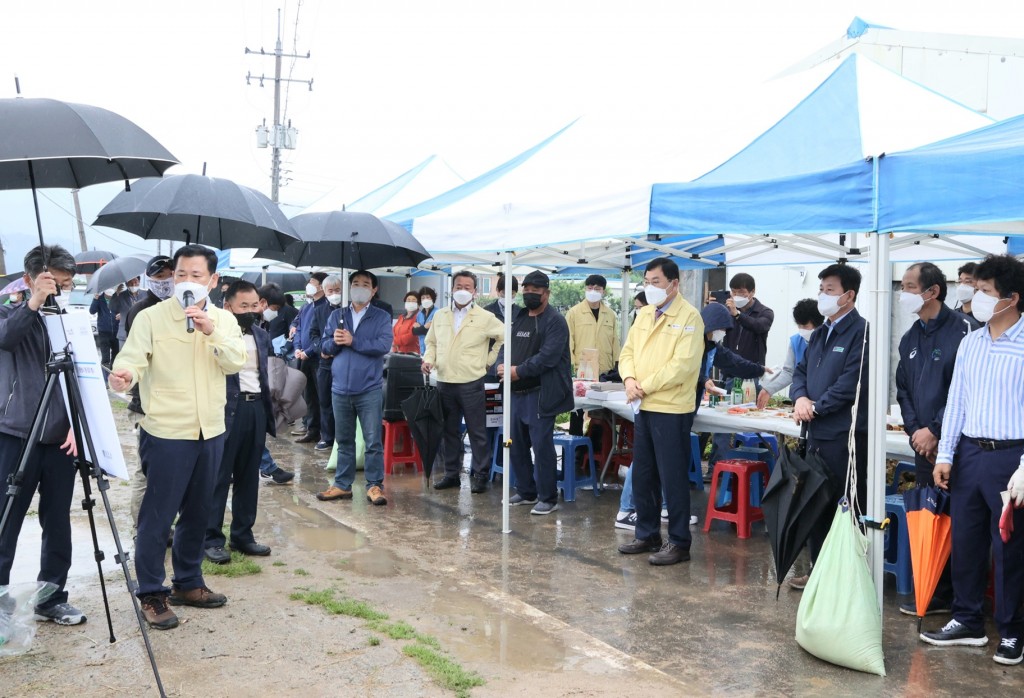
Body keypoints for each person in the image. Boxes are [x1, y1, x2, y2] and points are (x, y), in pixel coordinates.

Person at [109, 244, 246, 630]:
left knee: (199, 511)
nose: (186, 282)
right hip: (167, 430)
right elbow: (131, 359)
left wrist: (210, 329)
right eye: (180, 274)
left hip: (211, 429)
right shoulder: (151, 317)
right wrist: (123, 376)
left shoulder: (224, 320)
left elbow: (235, 360)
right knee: (158, 514)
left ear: (213, 281)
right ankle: (152, 592)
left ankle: (188, 582)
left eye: (196, 275)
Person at [920, 254, 1024, 666]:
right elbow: (956, 401)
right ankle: (967, 619)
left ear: (1012, 298)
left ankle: (1013, 631)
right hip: (969, 453)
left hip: (1011, 457)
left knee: (1010, 547)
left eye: (984, 291)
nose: (975, 296)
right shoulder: (971, 342)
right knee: (966, 540)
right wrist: (945, 454)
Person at [615, 301, 765, 532]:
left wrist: (761, 370)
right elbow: (680, 366)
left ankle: (666, 508)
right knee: (648, 461)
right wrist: (703, 380)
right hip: (663, 407)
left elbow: (734, 362)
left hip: (684, 409)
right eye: (721, 328)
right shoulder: (691, 338)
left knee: (668, 463)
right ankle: (627, 510)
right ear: (710, 325)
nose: (722, 334)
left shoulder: (712, 345)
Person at [0, 244, 86, 629]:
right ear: (32, 278)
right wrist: (34, 301)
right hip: (15, 434)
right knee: (6, 519)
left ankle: (51, 598)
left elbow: (82, 374)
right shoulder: (10, 312)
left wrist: (75, 423)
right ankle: (0, 602)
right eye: (55, 283)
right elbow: (6, 338)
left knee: (57, 522)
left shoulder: (68, 319)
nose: (60, 291)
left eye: (66, 284)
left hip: (59, 440)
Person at [894, 262, 976, 617]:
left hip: (957, 446)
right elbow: (903, 390)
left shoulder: (965, 332)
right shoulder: (911, 336)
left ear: (933, 291)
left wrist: (936, 430)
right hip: (923, 448)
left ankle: (965, 601)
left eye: (910, 286)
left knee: (963, 523)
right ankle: (936, 592)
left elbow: (967, 391)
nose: (904, 292)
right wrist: (916, 432)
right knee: (934, 517)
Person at [616, 257, 703, 565]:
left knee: (672, 476)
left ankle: (679, 542)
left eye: (656, 282)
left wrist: (644, 385)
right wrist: (628, 379)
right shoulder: (643, 314)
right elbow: (627, 352)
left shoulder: (690, 317)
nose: (650, 288)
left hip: (671, 407)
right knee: (643, 473)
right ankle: (647, 533)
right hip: (643, 404)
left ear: (673, 284)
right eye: (647, 282)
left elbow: (682, 366)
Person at [788, 263, 868, 589]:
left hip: (843, 437)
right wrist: (800, 399)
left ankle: (842, 578)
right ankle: (818, 571)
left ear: (848, 295)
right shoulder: (821, 332)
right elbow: (799, 374)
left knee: (843, 507)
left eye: (829, 290)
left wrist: (816, 407)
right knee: (816, 505)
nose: (822, 295)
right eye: (821, 289)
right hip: (816, 434)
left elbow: (851, 384)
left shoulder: (861, 332)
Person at [204, 281, 278, 564]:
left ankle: (243, 535)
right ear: (228, 307)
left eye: (254, 305)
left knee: (249, 475)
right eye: (243, 306)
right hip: (226, 409)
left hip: (256, 407)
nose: (250, 310)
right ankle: (211, 538)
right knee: (220, 476)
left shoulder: (261, 334)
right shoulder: (216, 334)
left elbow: (263, 373)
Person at [498, 270, 573, 515]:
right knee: (515, 443)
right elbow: (506, 346)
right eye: (526, 290)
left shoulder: (555, 321)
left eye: (535, 291)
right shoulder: (519, 317)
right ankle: (526, 491)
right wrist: (501, 364)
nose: (530, 294)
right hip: (515, 392)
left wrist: (518, 371)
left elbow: (548, 357)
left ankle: (547, 497)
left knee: (541, 446)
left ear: (547, 293)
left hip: (541, 393)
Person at [422, 271, 505, 493]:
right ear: (452, 289)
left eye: (468, 287)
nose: (463, 290)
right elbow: (431, 343)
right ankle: (451, 473)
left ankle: (480, 474)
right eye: (459, 285)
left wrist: (489, 360)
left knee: (477, 431)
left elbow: (503, 336)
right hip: (445, 381)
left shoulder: (485, 317)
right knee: (449, 431)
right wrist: (429, 360)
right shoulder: (440, 315)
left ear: (475, 292)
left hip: (471, 382)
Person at [316, 270, 393, 506]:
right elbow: (324, 345)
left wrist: (354, 341)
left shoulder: (381, 316)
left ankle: (374, 485)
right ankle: (342, 484)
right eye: (356, 283)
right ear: (349, 287)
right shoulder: (337, 315)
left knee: (372, 441)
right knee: (344, 440)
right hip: (340, 388)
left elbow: (383, 344)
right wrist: (335, 342)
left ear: (374, 289)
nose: (360, 287)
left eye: (365, 284)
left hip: (368, 388)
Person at [121, 255, 177, 533]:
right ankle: (142, 527)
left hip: (178, 404)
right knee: (146, 471)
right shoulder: (141, 311)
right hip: (147, 403)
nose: (165, 283)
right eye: (159, 278)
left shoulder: (185, 308)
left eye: (169, 277)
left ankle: (165, 525)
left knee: (173, 472)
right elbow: (135, 357)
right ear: (148, 279)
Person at [709, 273, 774, 467]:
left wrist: (737, 315)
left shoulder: (764, 312)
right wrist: (714, 310)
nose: (737, 295)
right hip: (729, 372)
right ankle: (716, 467)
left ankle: (753, 465)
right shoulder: (727, 310)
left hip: (751, 375)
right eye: (734, 292)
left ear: (752, 292)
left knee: (750, 419)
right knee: (722, 421)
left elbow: (759, 326)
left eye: (742, 292)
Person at [256, 283, 296, 485]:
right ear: (262, 303)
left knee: (251, 433)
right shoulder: (249, 324)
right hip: (243, 388)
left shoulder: (262, 324)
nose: (275, 313)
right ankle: (268, 467)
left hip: (258, 386)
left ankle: (267, 467)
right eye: (274, 308)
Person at [756, 299, 825, 409]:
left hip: (822, 400)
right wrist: (769, 389)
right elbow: (789, 372)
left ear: (818, 324)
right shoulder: (796, 341)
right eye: (799, 325)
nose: (802, 330)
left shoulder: (829, 341)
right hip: (799, 399)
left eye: (805, 326)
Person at [307, 275, 343, 451]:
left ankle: (341, 437)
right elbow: (312, 334)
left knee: (342, 402)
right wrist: (321, 349)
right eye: (331, 291)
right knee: (325, 400)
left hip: (344, 362)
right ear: (325, 291)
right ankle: (327, 437)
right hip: (325, 363)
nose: (335, 294)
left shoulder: (347, 310)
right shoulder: (319, 310)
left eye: (338, 290)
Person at [291, 273, 327, 443]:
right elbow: (298, 328)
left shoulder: (325, 307)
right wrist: (297, 347)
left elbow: (321, 335)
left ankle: (325, 433)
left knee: (322, 396)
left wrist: (309, 351)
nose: (309, 285)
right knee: (309, 395)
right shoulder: (306, 307)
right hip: (303, 356)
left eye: (312, 283)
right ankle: (312, 429)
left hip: (318, 357)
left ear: (321, 286)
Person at [564, 274, 619, 379]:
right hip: (582, 369)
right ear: (585, 289)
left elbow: (615, 342)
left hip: (605, 370)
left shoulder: (610, 314)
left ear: (604, 291)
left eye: (597, 289)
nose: (593, 292)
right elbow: (568, 342)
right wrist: (570, 367)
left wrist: (617, 364)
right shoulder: (574, 313)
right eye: (589, 288)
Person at [110, 276, 144, 349]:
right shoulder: (121, 295)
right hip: (124, 334)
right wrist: (116, 294)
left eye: (135, 282)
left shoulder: (146, 294)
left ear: (139, 282)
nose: (133, 285)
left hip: (142, 333)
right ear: (126, 284)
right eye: (131, 283)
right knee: (123, 358)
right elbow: (112, 307)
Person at [90, 288, 118, 368]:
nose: (110, 289)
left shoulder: (117, 297)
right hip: (104, 331)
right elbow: (92, 311)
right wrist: (95, 299)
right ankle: (105, 375)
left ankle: (114, 372)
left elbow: (122, 310)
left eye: (112, 287)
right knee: (105, 357)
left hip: (116, 331)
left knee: (116, 355)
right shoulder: (99, 298)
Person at [412, 286, 438, 354]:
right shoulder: (419, 314)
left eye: (428, 297)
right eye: (423, 298)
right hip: (422, 349)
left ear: (432, 298)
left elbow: (433, 331)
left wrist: (420, 328)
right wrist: (425, 327)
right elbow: (414, 331)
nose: (425, 299)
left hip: (434, 350)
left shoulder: (438, 312)